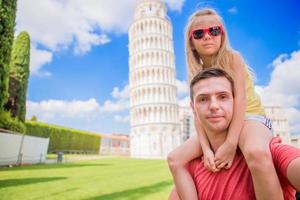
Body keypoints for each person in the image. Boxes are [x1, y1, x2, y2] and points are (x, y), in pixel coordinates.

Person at [168, 8, 283, 199]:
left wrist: (230, 144)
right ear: (191, 42)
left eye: (214, 31)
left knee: (256, 152)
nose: (207, 37)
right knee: (175, 159)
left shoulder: (232, 58)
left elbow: (240, 101)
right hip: (218, 126)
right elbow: (198, 116)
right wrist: (206, 150)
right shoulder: (196, 72)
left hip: (249, 117)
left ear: (222, 34)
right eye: (199, 33)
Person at [169, 68, 300, 200]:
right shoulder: (191, 170)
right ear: (193, 107)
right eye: (203, 99)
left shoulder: (271, 154)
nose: (214, 106)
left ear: (236, 103)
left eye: (223, 97)